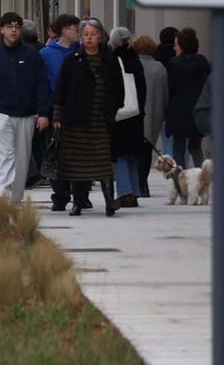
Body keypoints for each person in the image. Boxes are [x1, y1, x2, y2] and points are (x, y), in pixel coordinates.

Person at [52, 18, 121, 217]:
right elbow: (61, 89)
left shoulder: (109, 60)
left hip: (100, 120)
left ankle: (110, 202)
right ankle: (78, 203)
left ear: (100, 37)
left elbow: (118, 88)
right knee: (77, 164)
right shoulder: (72, 60)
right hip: (76, 121)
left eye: (93, 35)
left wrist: (114, 107)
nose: (89, 38)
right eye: (86, 35)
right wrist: (57, 114)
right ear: (81, 38)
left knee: (102, 162)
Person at [0, 13, 49, 200]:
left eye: (17, 26)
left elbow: (41, 83)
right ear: (1, 29)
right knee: (3, 155)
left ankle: (15, 198)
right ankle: (1, 195)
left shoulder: (31, 55)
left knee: (22, 158)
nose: (13, 30)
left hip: (26, 114)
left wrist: (44, 112)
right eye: (9, 26)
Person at [108, 27, 150, 209]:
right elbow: (142, 90)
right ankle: (134, 190)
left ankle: (125, 192)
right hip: (136, 114)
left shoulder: (114, 61)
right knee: (133, 154)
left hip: (121, 114)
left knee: (121, 154)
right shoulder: (136, 61)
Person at [167, 27, 209, 169]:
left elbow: (170, 88)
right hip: (198, 111)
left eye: (176, 45)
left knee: (178, 147)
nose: (174, 48)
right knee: (195, 147)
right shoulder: (203, 63)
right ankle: (202, 177)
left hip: (179, 112)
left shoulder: (174, 63)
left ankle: (180, 181)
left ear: (182, 46)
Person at [136, 33, 169, 198]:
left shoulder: (133, 65)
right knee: (147, 150)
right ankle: (143, 183)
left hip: (135, 114)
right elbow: (164, 93)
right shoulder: (159, 67)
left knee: (135, 150)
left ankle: (137, 183)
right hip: (154, 114)